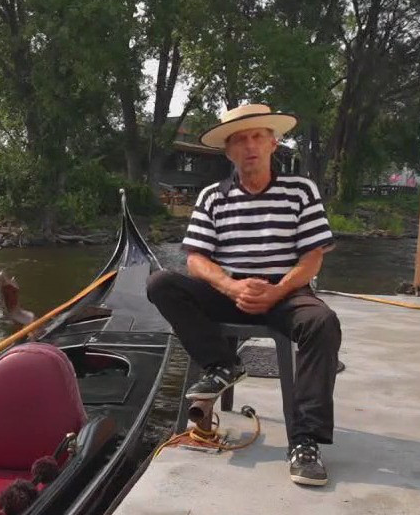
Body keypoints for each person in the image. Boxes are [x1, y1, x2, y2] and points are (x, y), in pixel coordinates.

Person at [145, 103, 341, 487]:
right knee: (161, 283)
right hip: (230, 290)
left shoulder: (300, 190)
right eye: (239, 140)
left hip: (285, 292)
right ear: (229, 151)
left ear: (273, 143)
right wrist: (232, 286)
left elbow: (312, 257)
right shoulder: (212, 197)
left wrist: (277, 290)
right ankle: (222, 364)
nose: (249, 146)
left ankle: (305, 441)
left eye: (256, 137)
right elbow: (198, 260)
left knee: (323, 323)